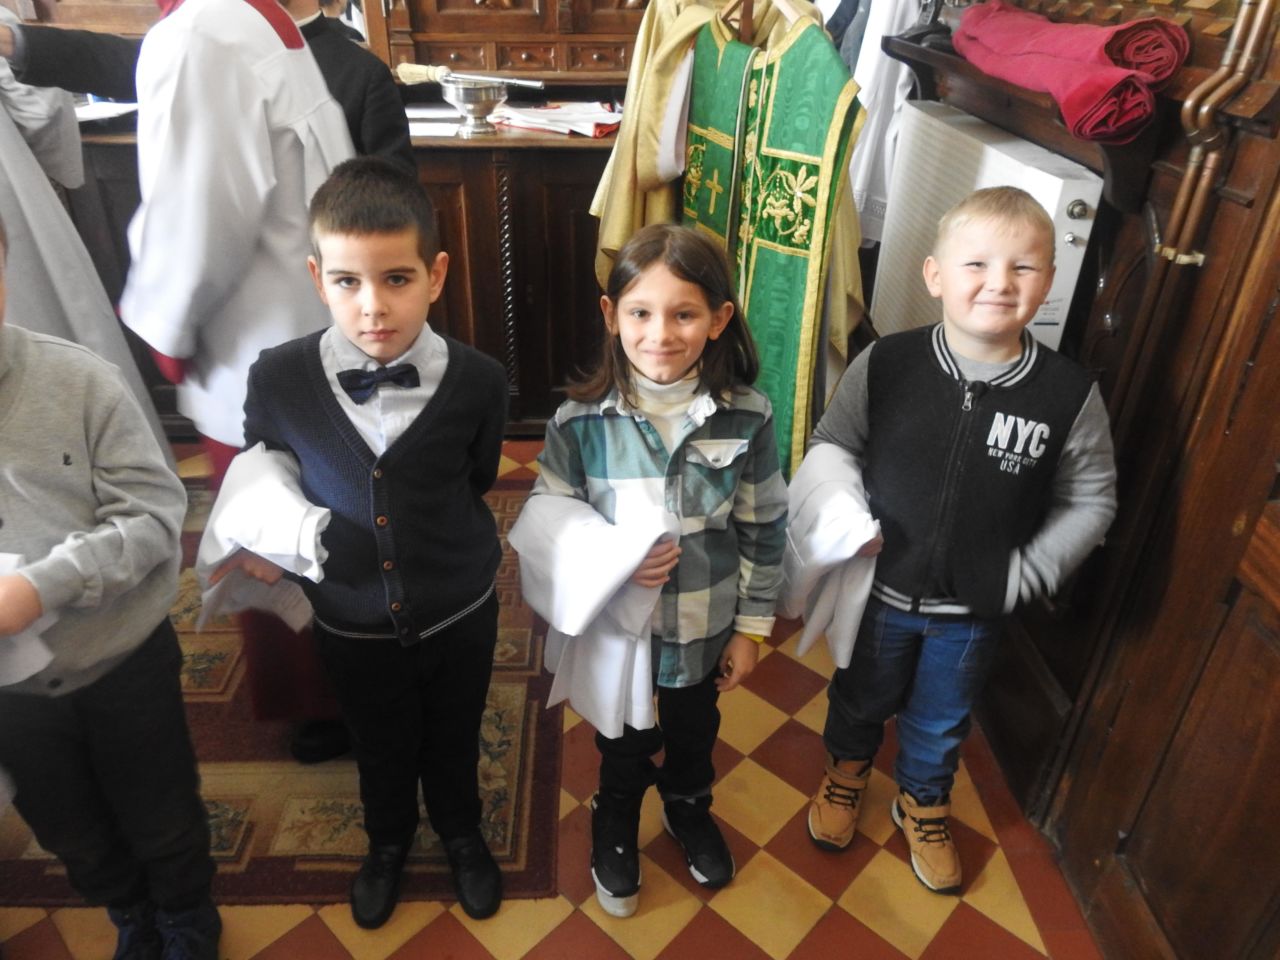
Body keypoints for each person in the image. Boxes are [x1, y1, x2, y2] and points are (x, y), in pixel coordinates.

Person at [208, 157, 508, 929]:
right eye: (347, 281)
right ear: (317, 278)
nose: (373, 306)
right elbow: (267, 461)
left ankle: (462, 832)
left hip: (458, 605)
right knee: (378, 739)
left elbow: (477, 476)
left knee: (455, 730)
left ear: (436, 275)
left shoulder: (479, 380)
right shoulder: (279, 378)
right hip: (349, 612)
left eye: (397, 279)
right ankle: (386, 842)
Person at [799, 186, 1117, 894]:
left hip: (974, 609)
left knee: (942, 717)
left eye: (1023, 267)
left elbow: (1091, 500)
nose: (999, 283)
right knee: (859, 695)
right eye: (977, 264)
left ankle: (923, 799)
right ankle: (846, 772)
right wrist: (842, 519)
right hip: (878, 592)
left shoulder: (1066, 395)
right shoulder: (887, 364)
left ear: (1048, 281)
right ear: (935, 275)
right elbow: (831, 445)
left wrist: (1027, 574)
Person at [522, 223, 788, 918]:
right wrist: (610, 559)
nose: (660, 334)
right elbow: (548, 521)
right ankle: (615, 816)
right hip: (622, 635)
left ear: (718, 320)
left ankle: (687, 807)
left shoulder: (749, 418)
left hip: (705, 627)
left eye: (684, 314)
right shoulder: (578, 422)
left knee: (695, 735)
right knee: (624, 741)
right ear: (612, 315)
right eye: (641, 312)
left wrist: (750, 631)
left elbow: (763, 527)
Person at [0, 212, 221, 958]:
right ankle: (129, 910)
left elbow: (155, 516)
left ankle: (186, 914)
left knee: (162, 810)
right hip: (12, 696)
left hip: (120, 658)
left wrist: (46, 586)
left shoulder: (79, 381)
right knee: (68, 826)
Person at [0, 0, 412, 170]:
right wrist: (15, 41)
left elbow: (393, 202)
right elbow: (114, 61)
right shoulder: (205, 49)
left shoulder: (362, 73)